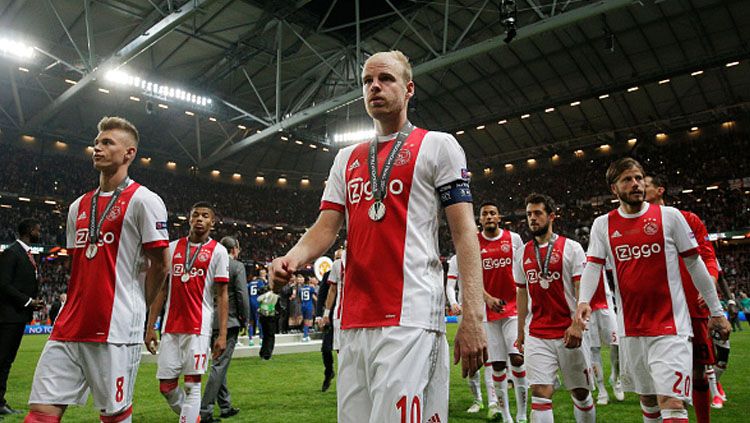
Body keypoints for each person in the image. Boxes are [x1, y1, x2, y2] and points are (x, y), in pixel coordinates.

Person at [270, 50, 487, 423]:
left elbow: (465, 232)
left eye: (385, 79)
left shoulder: (438, 145)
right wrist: (293, 257)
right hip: (353, 319)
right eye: (368, 81)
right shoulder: (346, 158)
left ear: (409, 89)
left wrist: (473, 315)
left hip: (411, 315)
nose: (374, 87)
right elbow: (326, 227)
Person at [26, 116, 170, 423]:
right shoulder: (78, 206)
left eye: (107, 143)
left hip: (115, 328)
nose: (98, 148)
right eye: (96, 142)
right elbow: (77, 263)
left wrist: (145, 315)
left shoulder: (145, 201)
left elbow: (161, 264)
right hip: (68, 325)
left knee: (114, 416)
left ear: (129, 153)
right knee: (41, 411)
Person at [575, 157, 731, 423]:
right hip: (630, 329)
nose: (635, 184)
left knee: (671, 402)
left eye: (638, 178)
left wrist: (716, 311)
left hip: (671, 327)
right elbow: (593, 266)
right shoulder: (603, 224)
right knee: (647, 400)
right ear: (614, 189)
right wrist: (583, 301)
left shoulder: (670, 217)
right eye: (627, 179)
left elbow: (695, 265)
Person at [644, 174, 722, 422]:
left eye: (644, 185)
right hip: (660, 310)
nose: (639, 189)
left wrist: (709, 281)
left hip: (692, 304)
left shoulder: (688, 220)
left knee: (698, 371)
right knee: (660, 378)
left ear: (660, 190)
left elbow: (708, 257)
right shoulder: (638, 226)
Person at [145, 202, 229, 423]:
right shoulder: (172, 248)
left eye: (205, 216)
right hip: (170, 327)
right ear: (189, 219)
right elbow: (162, 290)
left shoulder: (219, 252)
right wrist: (151, 327)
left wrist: (222, 335)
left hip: (198, 328)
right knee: (166, 386)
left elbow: (222, 295)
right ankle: (194, 418)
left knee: (193, 386)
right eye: (195, 215)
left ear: (212, 222)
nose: (199, 219)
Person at [515, 193, 595, 423]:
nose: (532, 218)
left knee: (580, 393)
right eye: (529, 214)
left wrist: (578, 325)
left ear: (551, 216)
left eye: (538, 213)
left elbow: (582, 290)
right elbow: (522, 293)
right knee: (540, 394)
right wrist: (520, 332)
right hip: (537, 334)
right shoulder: (521, 254)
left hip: (568, 332)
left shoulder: (572, 248)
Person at [476, 201, 528, 422]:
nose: (489, 217)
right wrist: (487, 298)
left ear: (499, 217)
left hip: (513, 309)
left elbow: (525, 269)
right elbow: (471, 277)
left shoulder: (514, 239)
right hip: (488, 313)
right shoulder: (474, 242)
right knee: (497, 365)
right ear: (480, 220)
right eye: (485, 214)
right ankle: (506, 416)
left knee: (516, 359)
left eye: (493, 213)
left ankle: (523, 414)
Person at [200, 236, 249, 422]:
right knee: (219, 366)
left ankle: (226, 406)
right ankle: (204, 411)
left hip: (207, 320)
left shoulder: (209, 263)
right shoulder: (236, 266)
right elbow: (241, 295)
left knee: (219, 364)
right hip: (228, 321)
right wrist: (245, 319)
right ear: (235, 249)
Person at [0, 218, 44, 416]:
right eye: (37, 229)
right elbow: (4, 285)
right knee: (2, 359)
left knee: (6, 360)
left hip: (18, 316)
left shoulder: (25, 254)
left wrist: (33, 302)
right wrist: (28, 301)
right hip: (8, 316)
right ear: (29, 230)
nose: (39, 233)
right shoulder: (12, 253)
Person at [446, 254, 497, 414]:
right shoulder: (457, 259)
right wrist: (453, 303)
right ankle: (478, 400)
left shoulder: (488, 255)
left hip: (486, 309)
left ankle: (493, 402)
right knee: (469, 356)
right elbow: (450, 285)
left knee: (489, 357)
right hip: (465, 310)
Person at [583, 262, 623, 405]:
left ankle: (616, 377)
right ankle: (601, 390)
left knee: (616, 344)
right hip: (586, 308)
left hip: (606, 304)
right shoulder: (572, 250)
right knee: (594, 349)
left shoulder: (600, 248)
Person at [318, 248, 344, 392]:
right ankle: (329, 372)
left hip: (347, 316)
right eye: (336, 257)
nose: (339, 260)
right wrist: (321, 315)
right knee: (326, 349)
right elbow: (322, 295)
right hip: (333, 318)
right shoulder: (330, 273)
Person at [257, 285, 279, 359]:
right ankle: (267, 354)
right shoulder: (274, 296)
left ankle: (262, 352)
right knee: (270, 336)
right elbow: (273, 306)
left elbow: (259, 301)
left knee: (265, 335)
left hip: (263, 317)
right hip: (270, 317)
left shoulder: (263, 296)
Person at [247, 269, 267, 344]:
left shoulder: (250, 283)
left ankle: (250, 339)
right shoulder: (260, 282)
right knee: (260, 320)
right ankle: (261, 339)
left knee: (251, 321)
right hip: (258, 302)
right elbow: (264, 291)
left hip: (250, 302)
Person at [298, 275, 317, 342]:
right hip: (309, 305)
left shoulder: (300, 289)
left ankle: (306, 334)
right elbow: (314, 294)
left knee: (305, 320)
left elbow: (299, 298)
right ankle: (305, 335)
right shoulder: (311, 288)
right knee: (307, 321)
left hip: (303, 305)